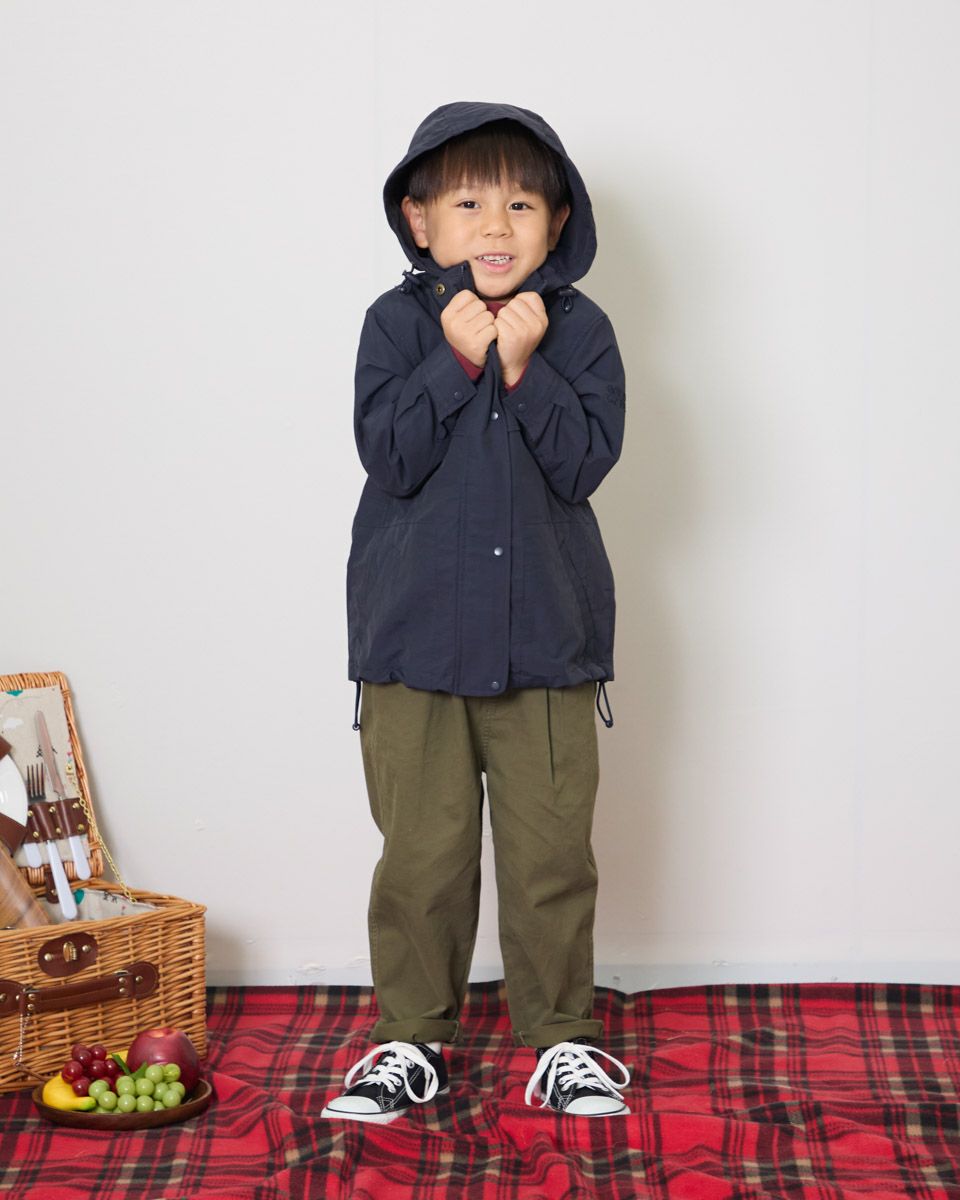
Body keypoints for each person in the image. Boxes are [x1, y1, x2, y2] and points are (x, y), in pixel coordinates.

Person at [322, 101, 629, 1124]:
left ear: (558, 222)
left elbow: (583, 465)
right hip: (412, 645)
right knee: (421, 857)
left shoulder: (581, 331)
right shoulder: (394, 326)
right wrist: (455, 362)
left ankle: (563, 1039)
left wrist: (525, 369)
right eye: (467, 204)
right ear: (419, 220)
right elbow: (390, 456)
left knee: (551, 857)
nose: (496, 226)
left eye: (521, 205)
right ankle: (411, 1039)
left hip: (548, 644)